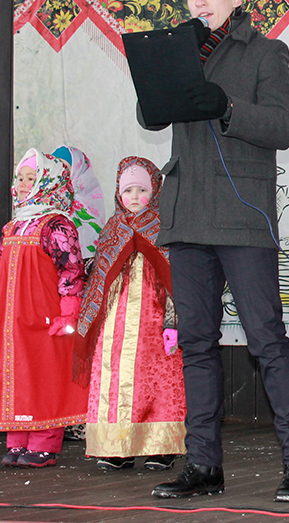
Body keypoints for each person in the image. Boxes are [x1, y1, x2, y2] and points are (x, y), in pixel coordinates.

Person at [141, 0, 289, 502]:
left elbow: (282, 128)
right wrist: (160, 73)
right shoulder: (179, 50)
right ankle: (203, 465)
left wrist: (227, 106)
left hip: (243, 217)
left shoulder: (266, 51)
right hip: (187, 212)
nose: (200, 3)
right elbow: (150, 115)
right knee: (196, 344)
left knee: (267, 341)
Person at [74, 157, 186, 472]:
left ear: (156, 191)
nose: (134, 197)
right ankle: (116, 445)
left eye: (142, 190)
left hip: (155, 325)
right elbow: (99, 281)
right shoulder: (113, 228)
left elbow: (177, 280)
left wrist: (175, 321)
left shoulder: (165, 228)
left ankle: (160, 445)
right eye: (128, 191)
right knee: (113, 381)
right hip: (114, 327)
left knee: (158, 381)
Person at [0, 149, 88, 468]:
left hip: (43, 316)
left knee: (44, 374)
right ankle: (17, 440)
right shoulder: (13, 226)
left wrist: (69, 311)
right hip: (11, 318)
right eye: (21, 178)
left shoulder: (57, 225)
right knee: (14, 374)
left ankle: (44, 443)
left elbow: (71, 270)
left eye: (32, 178)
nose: (24, 184)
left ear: (48, 182)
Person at [51, 146, 106, 261]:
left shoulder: (90, 196)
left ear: (78, 170)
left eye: (65, 167)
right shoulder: (44, 199)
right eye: (56, 167)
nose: (61, 172)